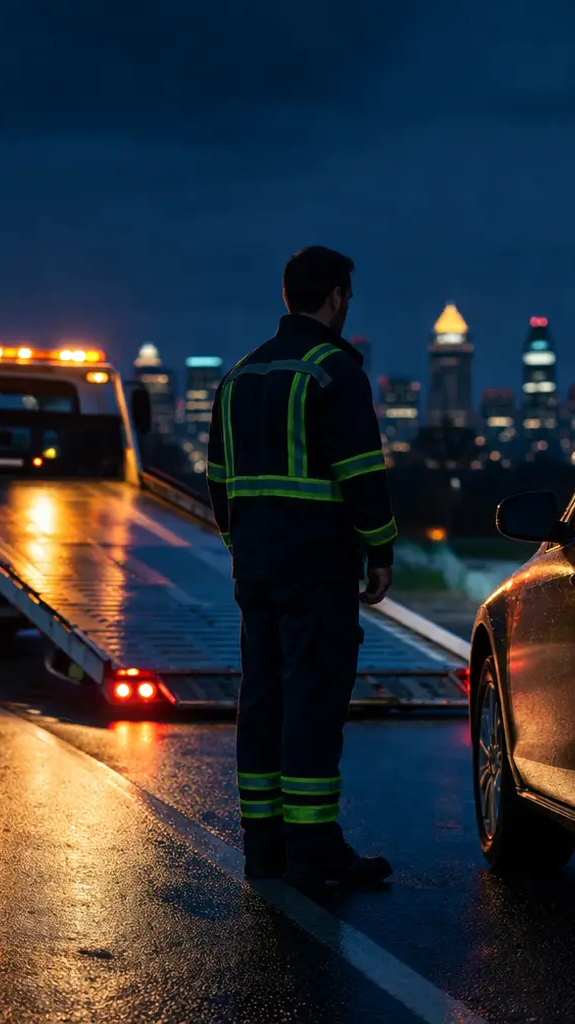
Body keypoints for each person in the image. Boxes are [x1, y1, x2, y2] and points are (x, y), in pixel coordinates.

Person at [206, 246, 397, 887]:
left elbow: (217, 481)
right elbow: (362, 474)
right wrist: (381, 550)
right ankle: (313, 851)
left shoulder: (239, 375)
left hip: (256, 568)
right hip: (316, 568)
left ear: (287, 296)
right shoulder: (332, 373)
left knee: (263, 699)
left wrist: (244, 547)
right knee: (313, 703)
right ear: (337, 296)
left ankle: (266, 849)